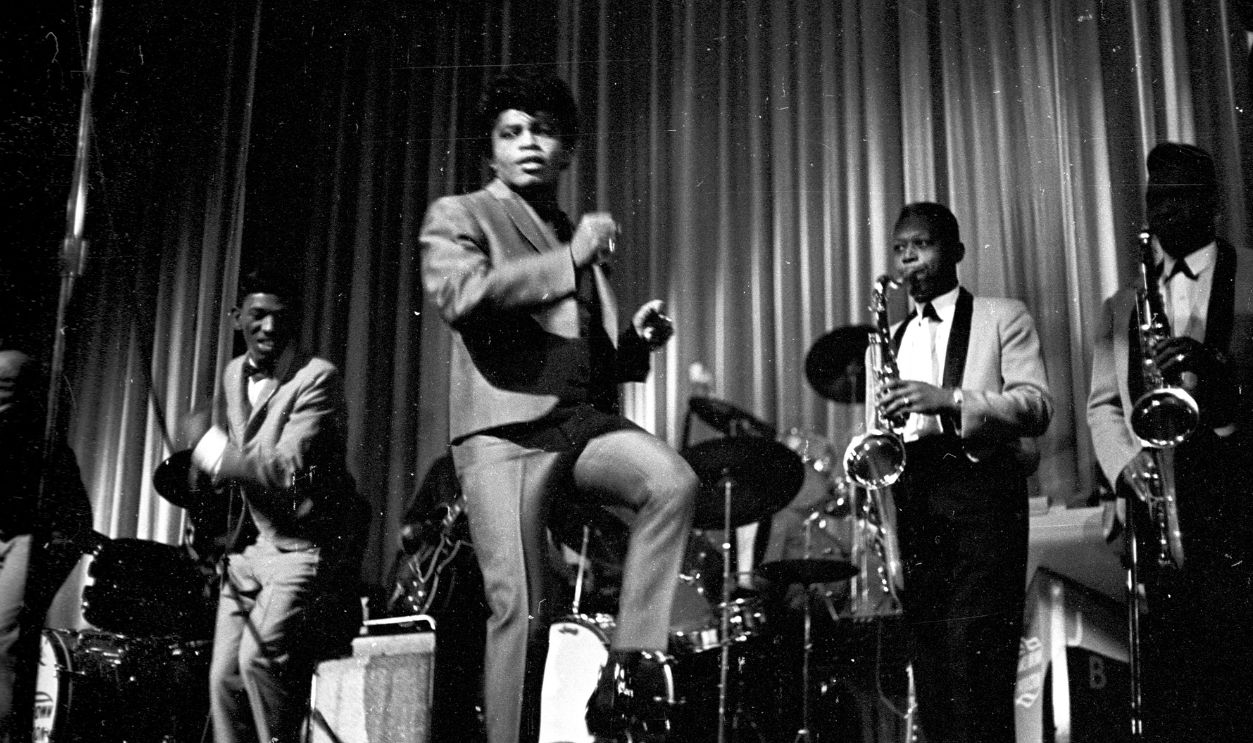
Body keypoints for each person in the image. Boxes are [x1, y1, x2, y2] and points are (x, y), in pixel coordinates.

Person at [420, 69, 697, 743]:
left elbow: (591, 361)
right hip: (505, 433)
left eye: (542, 131)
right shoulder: (460, 215)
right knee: (520, 607)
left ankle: (628, 669)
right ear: (490, 151)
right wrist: (568, 260)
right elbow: (461, 297)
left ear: (567, 149)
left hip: (575, 423)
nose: (528, 144)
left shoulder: (569, 233)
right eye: (511, 133)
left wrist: (635, 342)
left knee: (672, 481)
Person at [1087, 142, 1253, 741]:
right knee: (1176, 678)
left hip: (1237, 497)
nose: (1165, 212)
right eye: (1156, 199)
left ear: (1211, 204)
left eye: (1181, 197)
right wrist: (1124, 464)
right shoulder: (1121, 304)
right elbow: (1104, 403)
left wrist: (1221, 387)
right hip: (1160, 504)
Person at [872, 202, 1052, 743]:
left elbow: (1036, 406)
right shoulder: (887, 340)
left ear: (955, 252)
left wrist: (947, 400)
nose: (909, 260)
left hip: (983, 495)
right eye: (901, 249)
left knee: (979, 662)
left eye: (921, 246)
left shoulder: (1004, 316)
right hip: (915, 502)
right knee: (932, 673)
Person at [181, 269, 366, 743]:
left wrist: (213, 451)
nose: (267, 329)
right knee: (222, 677)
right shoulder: (232, 373)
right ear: (236, 316)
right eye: (257, 316)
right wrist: (206, 468)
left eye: (278, 319)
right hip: (254, 549)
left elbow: (286, 469)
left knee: (258, 662)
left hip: (303, 550)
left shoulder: (316, 378)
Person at [0, 345, 92, 743]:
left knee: (4, 641)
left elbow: (76, 523)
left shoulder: (40, 439)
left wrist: (42, 569)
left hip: (30, 540)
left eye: (9, 385)